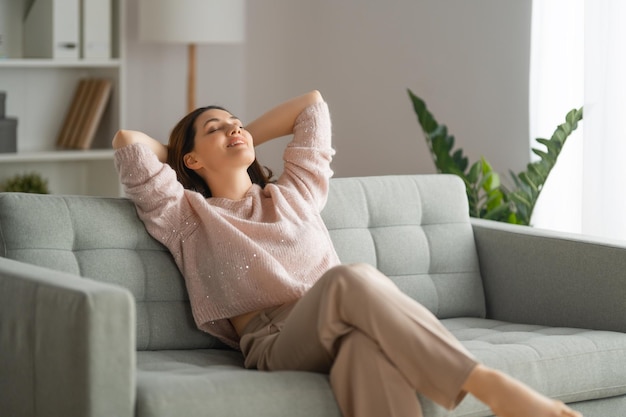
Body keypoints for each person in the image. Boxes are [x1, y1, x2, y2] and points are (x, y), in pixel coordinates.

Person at [113, 90, 582, 417]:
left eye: (236, 123)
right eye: (216, 129)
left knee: (366, 354)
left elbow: (311, 105)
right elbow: (128, 143)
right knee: (347, 279)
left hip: (342, 324)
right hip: (274, 339)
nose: (234, 129)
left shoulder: (294, 193)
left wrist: (237, 134)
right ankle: (490, 386)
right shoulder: (186, 216)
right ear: (191, 162)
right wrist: (182, 154)